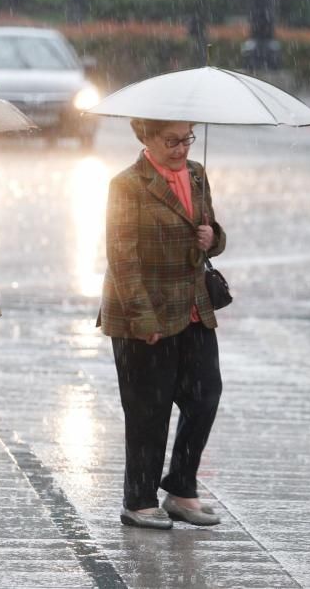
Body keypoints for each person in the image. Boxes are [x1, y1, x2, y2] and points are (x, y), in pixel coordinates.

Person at [99, 118, 227, 530]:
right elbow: (122, 256)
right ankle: (138, 500)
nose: (181, 148)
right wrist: (142, 318)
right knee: (147, 409)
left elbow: (210, 232)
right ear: (145, 138)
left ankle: (181, 487)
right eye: (170, 141)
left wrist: (214, 237)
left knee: (205, 395)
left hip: (192, 307)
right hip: (143, 311)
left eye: (186, 138)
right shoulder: (127, 184)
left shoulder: (196, 173)